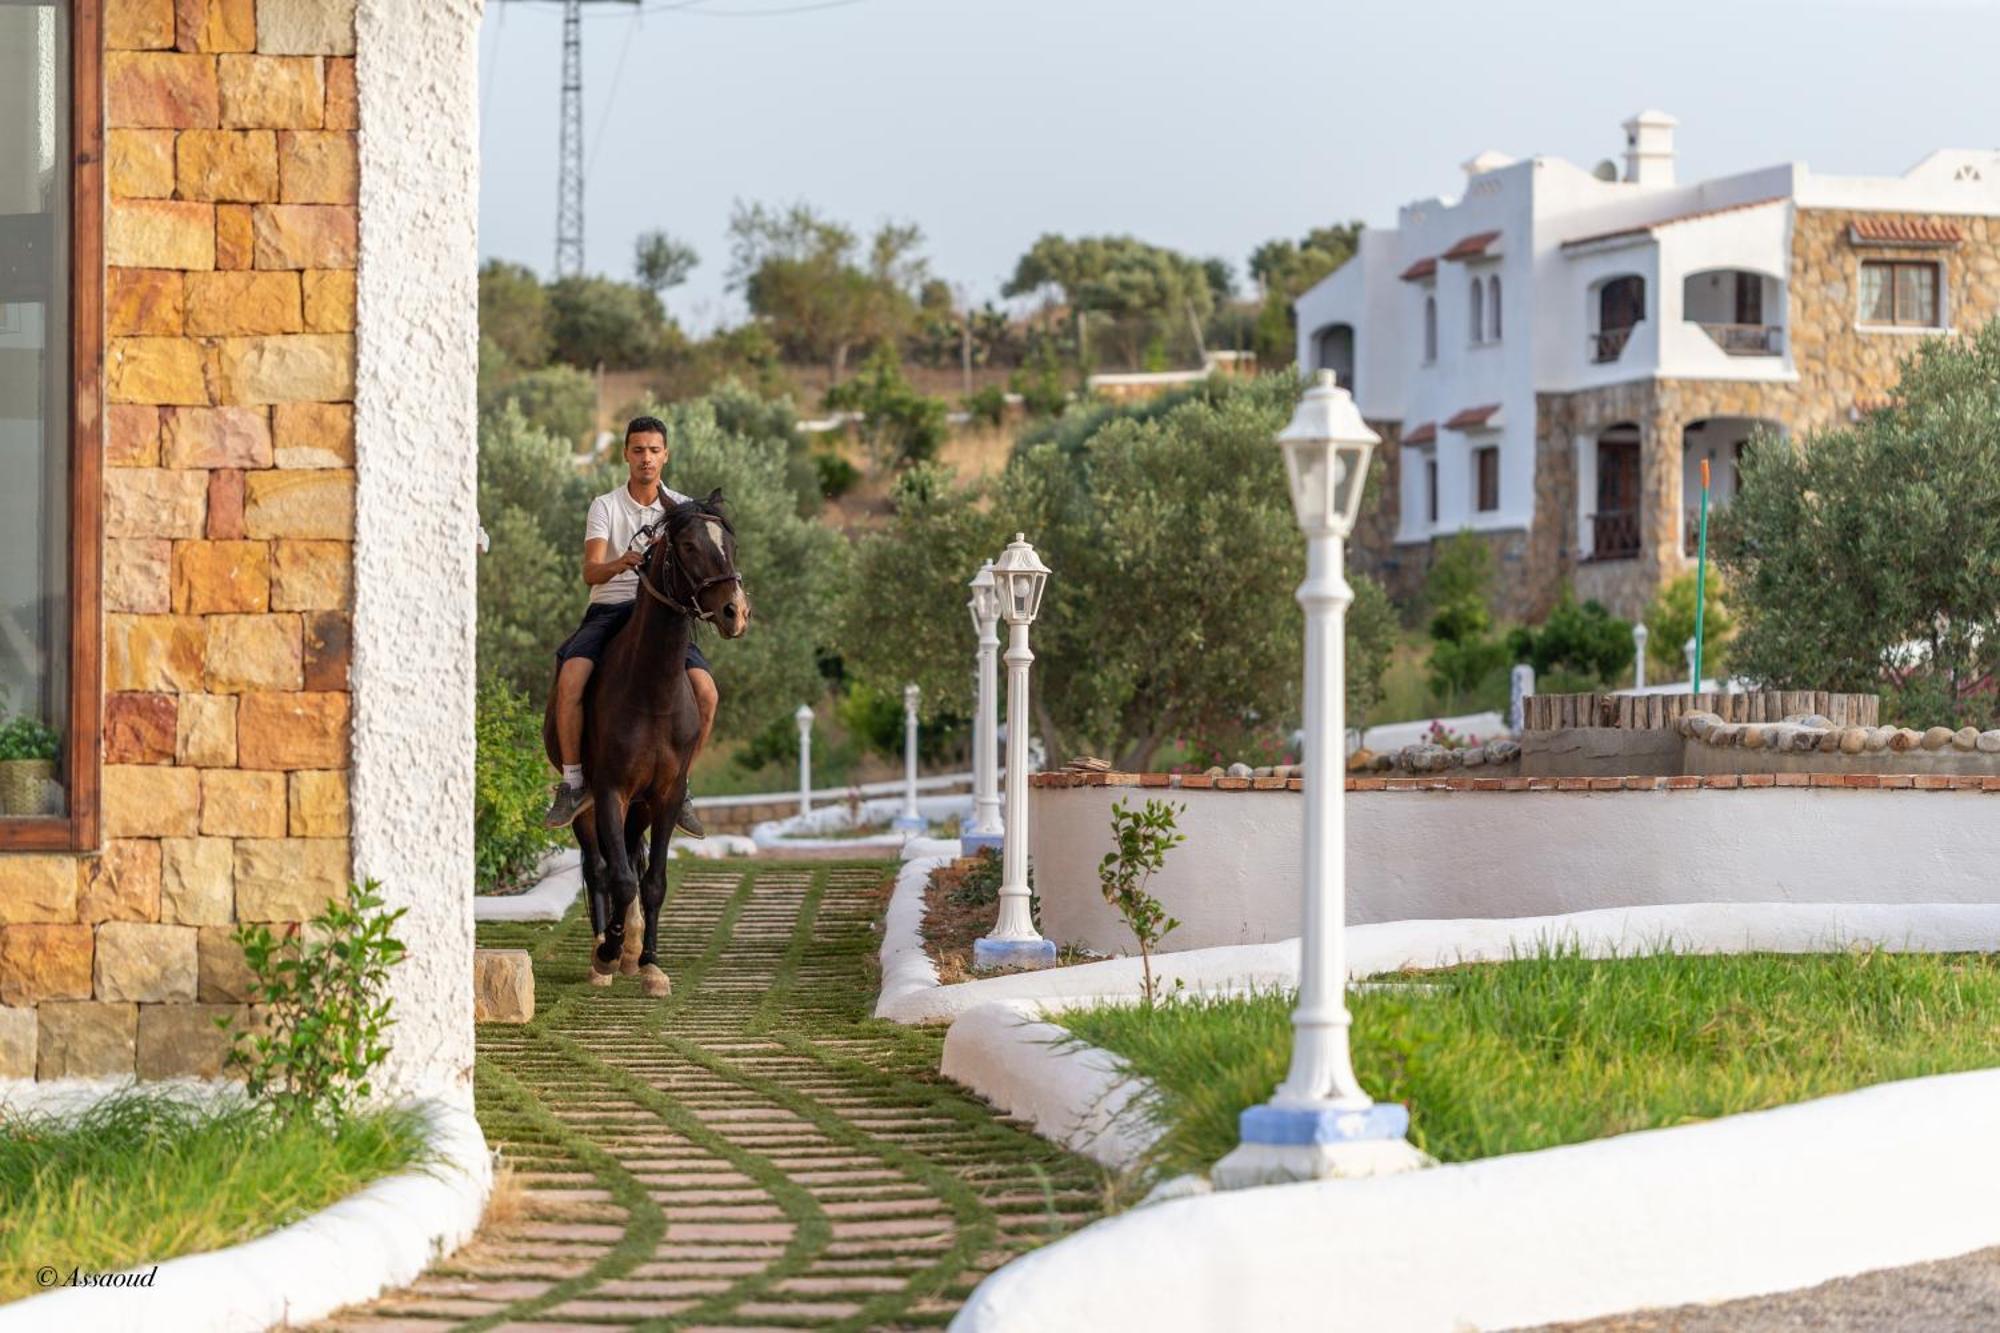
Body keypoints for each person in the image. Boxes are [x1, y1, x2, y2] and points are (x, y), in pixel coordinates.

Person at [543, 416, 715, 835]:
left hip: (661, 618)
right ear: (625, 455)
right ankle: (571, 782)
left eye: (654, 450)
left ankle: (682, 786)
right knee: (570, 678)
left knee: (707, 692)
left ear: (666, 455)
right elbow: (590, 572)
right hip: (609, 608)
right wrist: (619, 563)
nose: (646, 458)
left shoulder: (682, 508)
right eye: (638, 450)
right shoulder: (605, 505)